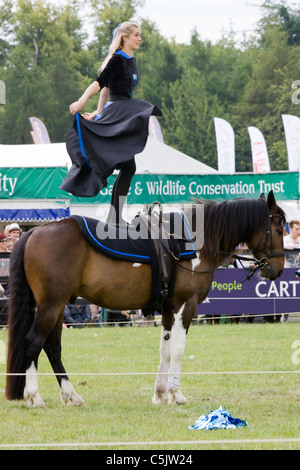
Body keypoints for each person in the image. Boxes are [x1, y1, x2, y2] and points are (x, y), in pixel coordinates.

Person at [60, 21, 161, 226]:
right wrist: (82, 101)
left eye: (140, 35)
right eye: (137, 35)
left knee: (129, 167)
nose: (140, 38)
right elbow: (100, 84)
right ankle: (114, 216)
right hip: (118, 113)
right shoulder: (117, 60)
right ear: (125, 37)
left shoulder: (132, 59)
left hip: (125, 111)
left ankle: (115, 216)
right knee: (127, 166)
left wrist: (98, 110)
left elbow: (107, 88)